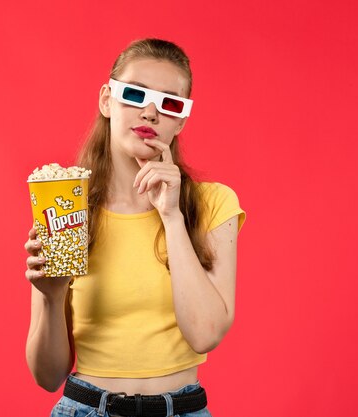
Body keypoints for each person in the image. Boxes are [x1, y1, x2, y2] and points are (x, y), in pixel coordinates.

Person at [24, 38, 246, 417]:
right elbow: (48, 376)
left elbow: (206, 333)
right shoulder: (66, 208)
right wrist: (50, 296)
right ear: (107, 100)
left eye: (170, 103)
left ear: (181, 119)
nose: (150, 112)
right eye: (134, 93)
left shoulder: (213, 203)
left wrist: (172, 217)